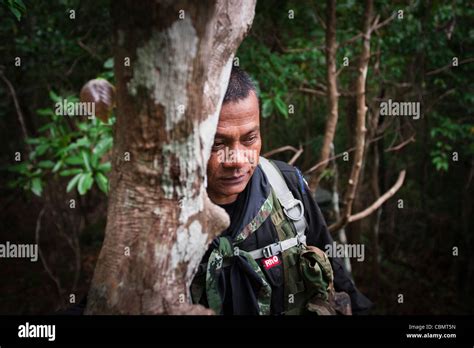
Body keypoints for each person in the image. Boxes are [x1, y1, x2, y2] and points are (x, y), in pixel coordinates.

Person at [190, 66, 373, 315]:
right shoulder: (170, 214)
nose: (237, 159)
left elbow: (338, 278)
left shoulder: (286, 187)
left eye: (249, 139)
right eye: (217, 143)